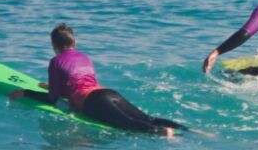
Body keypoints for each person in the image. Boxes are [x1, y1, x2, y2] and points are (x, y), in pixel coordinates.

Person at [11, 23, 187, 136]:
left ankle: (163, 133)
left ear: (53, 45)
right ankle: (191, 131)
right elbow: (79, 83)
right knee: (148, 118)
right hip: (107, 93)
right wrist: (52, 86)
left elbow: (52, 99)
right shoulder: (84, 57)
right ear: (75, 42)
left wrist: (25, 92)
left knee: (128, 124)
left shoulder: (55, 61)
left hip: (93, 102)